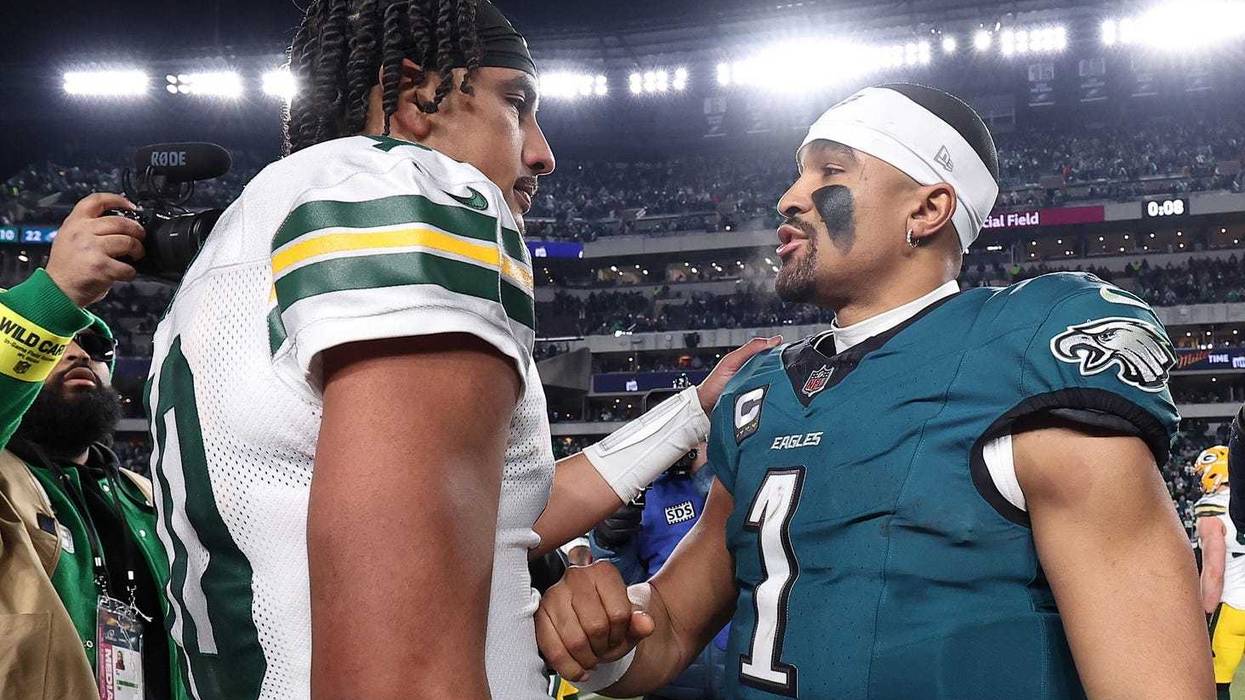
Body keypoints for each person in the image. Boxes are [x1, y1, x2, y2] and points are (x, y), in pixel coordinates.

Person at [144, 1, 772, 698]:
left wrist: (691, 411)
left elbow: (476, 516)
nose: (542, 151)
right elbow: (404, 677)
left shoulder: (247, 233)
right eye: (517, 103)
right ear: (417, 99)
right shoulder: (413, 190)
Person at [536, 83, 1212, 698]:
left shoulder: (1024, 351)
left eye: (829, 171)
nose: (788, 197)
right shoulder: (758, 390)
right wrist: (606, 641)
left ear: (927, 207)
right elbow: (674, 627)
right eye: (798, 171)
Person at [0, 192, 186, 700]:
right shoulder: (4, 484)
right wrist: (57, 295)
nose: (79, 351)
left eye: (96, 347)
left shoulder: (146, 495)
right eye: (60, 342)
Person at [1194, 445, 1245, 699]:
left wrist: (1204, 613)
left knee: (1216, 684)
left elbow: (1214, 570)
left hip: (1232, 608)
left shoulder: (1212, 509)